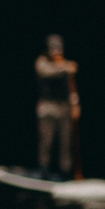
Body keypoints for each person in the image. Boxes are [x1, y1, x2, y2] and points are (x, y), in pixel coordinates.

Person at [34, 35, 77, 177]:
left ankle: (65, 171)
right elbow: (47, 72)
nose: (56, 52)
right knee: (46, 139)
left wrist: (75, 104)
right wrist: (65, 68)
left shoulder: (65, 64)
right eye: (53, 48)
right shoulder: (42, 62)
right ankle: (44, 169)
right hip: (48, 106)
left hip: (64, 107)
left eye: (58, 48)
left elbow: (71, 88)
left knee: (65, 141)